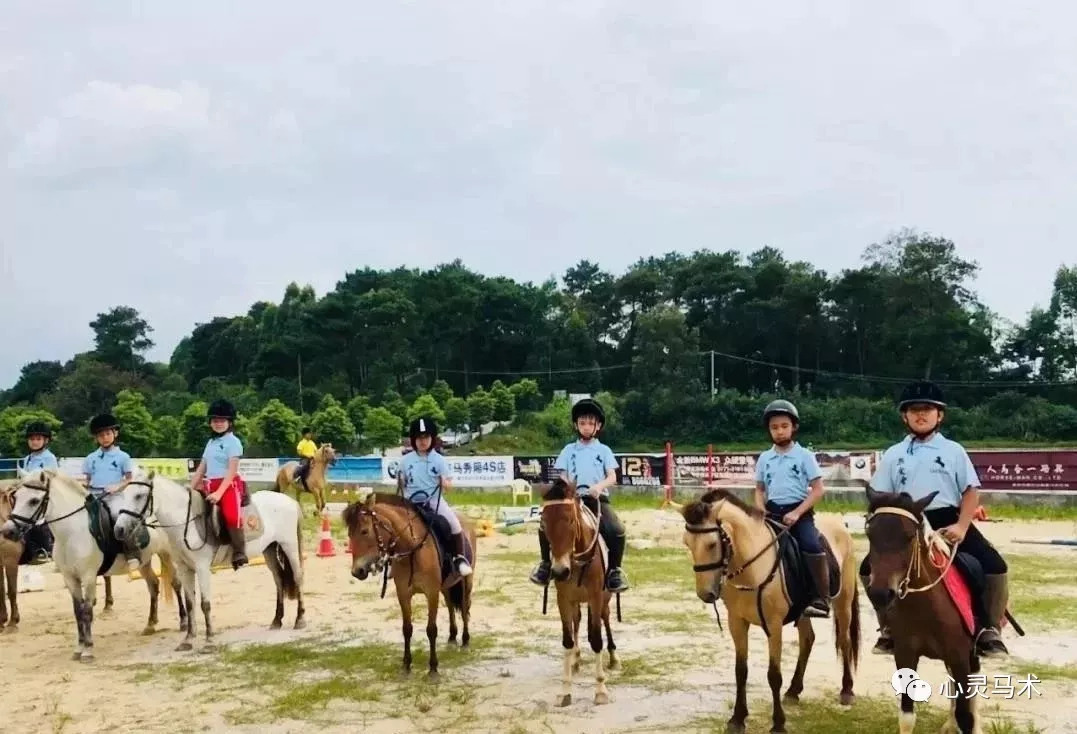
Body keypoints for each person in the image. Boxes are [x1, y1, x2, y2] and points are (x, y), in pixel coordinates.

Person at [862, 379, 1009, 659]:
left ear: (939, 415)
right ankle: (888, 627)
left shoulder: (953, 451)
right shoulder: (894, 454)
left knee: (993, 566)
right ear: (904, 416)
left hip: (947, 519)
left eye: (928, 409)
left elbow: (970, 492)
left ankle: (987, 629)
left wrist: (963, 526)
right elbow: (881, 495)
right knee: (867, 569)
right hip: (907, 522)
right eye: (914, 410)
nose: (921, 414)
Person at [528, 397, 629, 593]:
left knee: (616, 529)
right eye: (582, 423)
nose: (586, 427)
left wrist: (599, 487)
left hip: (597, 499)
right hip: (571, 500)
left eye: (591, 423)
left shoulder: (604, 450)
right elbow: (562, 474)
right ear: (576, 425)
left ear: (598, 426)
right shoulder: (568, 450)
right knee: (545, 526)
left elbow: (612, 476)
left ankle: (614, 571)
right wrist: (567, 487)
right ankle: (545, 564)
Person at [754, 399, 830, 618]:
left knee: (811, 544)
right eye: (774, 427)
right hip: (772, 513)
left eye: (784, 426)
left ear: (794, 427)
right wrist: (760, 510)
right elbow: (759, 489)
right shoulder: (765, 458)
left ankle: (821, 598)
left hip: (799, 514)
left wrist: (797, 513)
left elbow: (818, 489)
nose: (779, 431)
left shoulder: (804, 455)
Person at [397, 416, 472, 577]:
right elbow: (402, 482)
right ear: (413, 440)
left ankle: (458, 558)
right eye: (419, 438)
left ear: (432, 438)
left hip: (433, 501)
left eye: (426, 437)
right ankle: (393, 561)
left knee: (454, 524)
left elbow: (449, 485)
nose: (422, 441)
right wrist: (401, 481)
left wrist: (445, 483)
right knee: (395, 525)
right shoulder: (405, 461)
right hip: (410, 502)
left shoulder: (439, 460)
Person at [189, 399, 248, 570]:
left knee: (230, 515)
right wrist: (190, 488)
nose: (218, 424)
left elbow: (231, 471)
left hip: (229, 485)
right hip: (209, 484)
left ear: (229, 422)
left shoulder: (234, 442)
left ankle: (239, 552)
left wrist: (219, 493)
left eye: (222, 420)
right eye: (215, 420)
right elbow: (201, 468)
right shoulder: (211, 443)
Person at [81, 413, 139, 571]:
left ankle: (131, 552)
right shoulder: (90, 458)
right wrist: (82, 484)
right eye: (101, 435)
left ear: (115, 433)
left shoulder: (123, 457)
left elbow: (129, 479)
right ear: (96, 438)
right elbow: (86, 478)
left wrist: (117, 487)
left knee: (117, 517)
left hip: (114, 496)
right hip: (94, 495)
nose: (105, 437)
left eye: (107, 434)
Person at [19, 421, 59, 564]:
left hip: (44, 496)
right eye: (32, 439)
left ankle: (44, 549)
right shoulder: (27, 459)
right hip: (29, 496)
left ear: (45, 440)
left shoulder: (49, 458)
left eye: (38, 439)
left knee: (39, 520)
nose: (34, 442)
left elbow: (52, 480)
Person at [295, 427, 316, 492]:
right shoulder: (301, 443)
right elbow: (299, 452)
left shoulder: (312, 443)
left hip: (313, 459)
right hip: (305, 459)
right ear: (304, 435)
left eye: (310, 434)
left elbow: (316, 451)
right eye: (308, 434)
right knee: (304, 467)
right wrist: (307, 455)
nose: (310, 435)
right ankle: (298, 478)